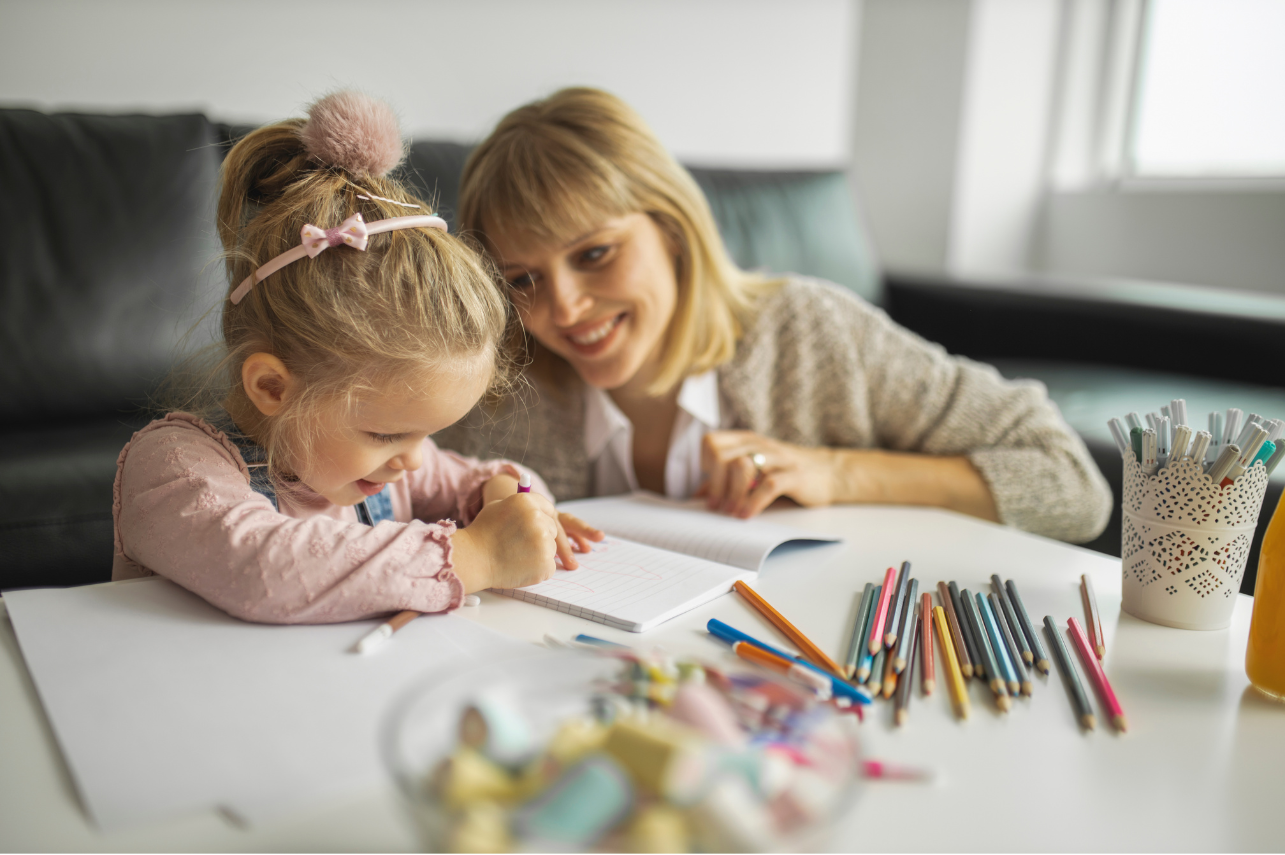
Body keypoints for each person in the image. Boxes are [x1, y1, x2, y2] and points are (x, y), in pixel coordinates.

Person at [435, 88, 1111, 543]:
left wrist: (836, 474)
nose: (563, 308)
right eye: (523, 278)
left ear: (671, 229)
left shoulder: (809, 330)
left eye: (595, 253)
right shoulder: (500, 386)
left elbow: (1070, 485)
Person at [112, 92, 601, 624]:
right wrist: (478, 554)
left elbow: (475, 478)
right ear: (273, 387)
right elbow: (267, 571)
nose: (415, 461)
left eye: (425, 434)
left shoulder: (389, 465)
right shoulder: (173, 470)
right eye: (387, 434)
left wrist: (510, 503)